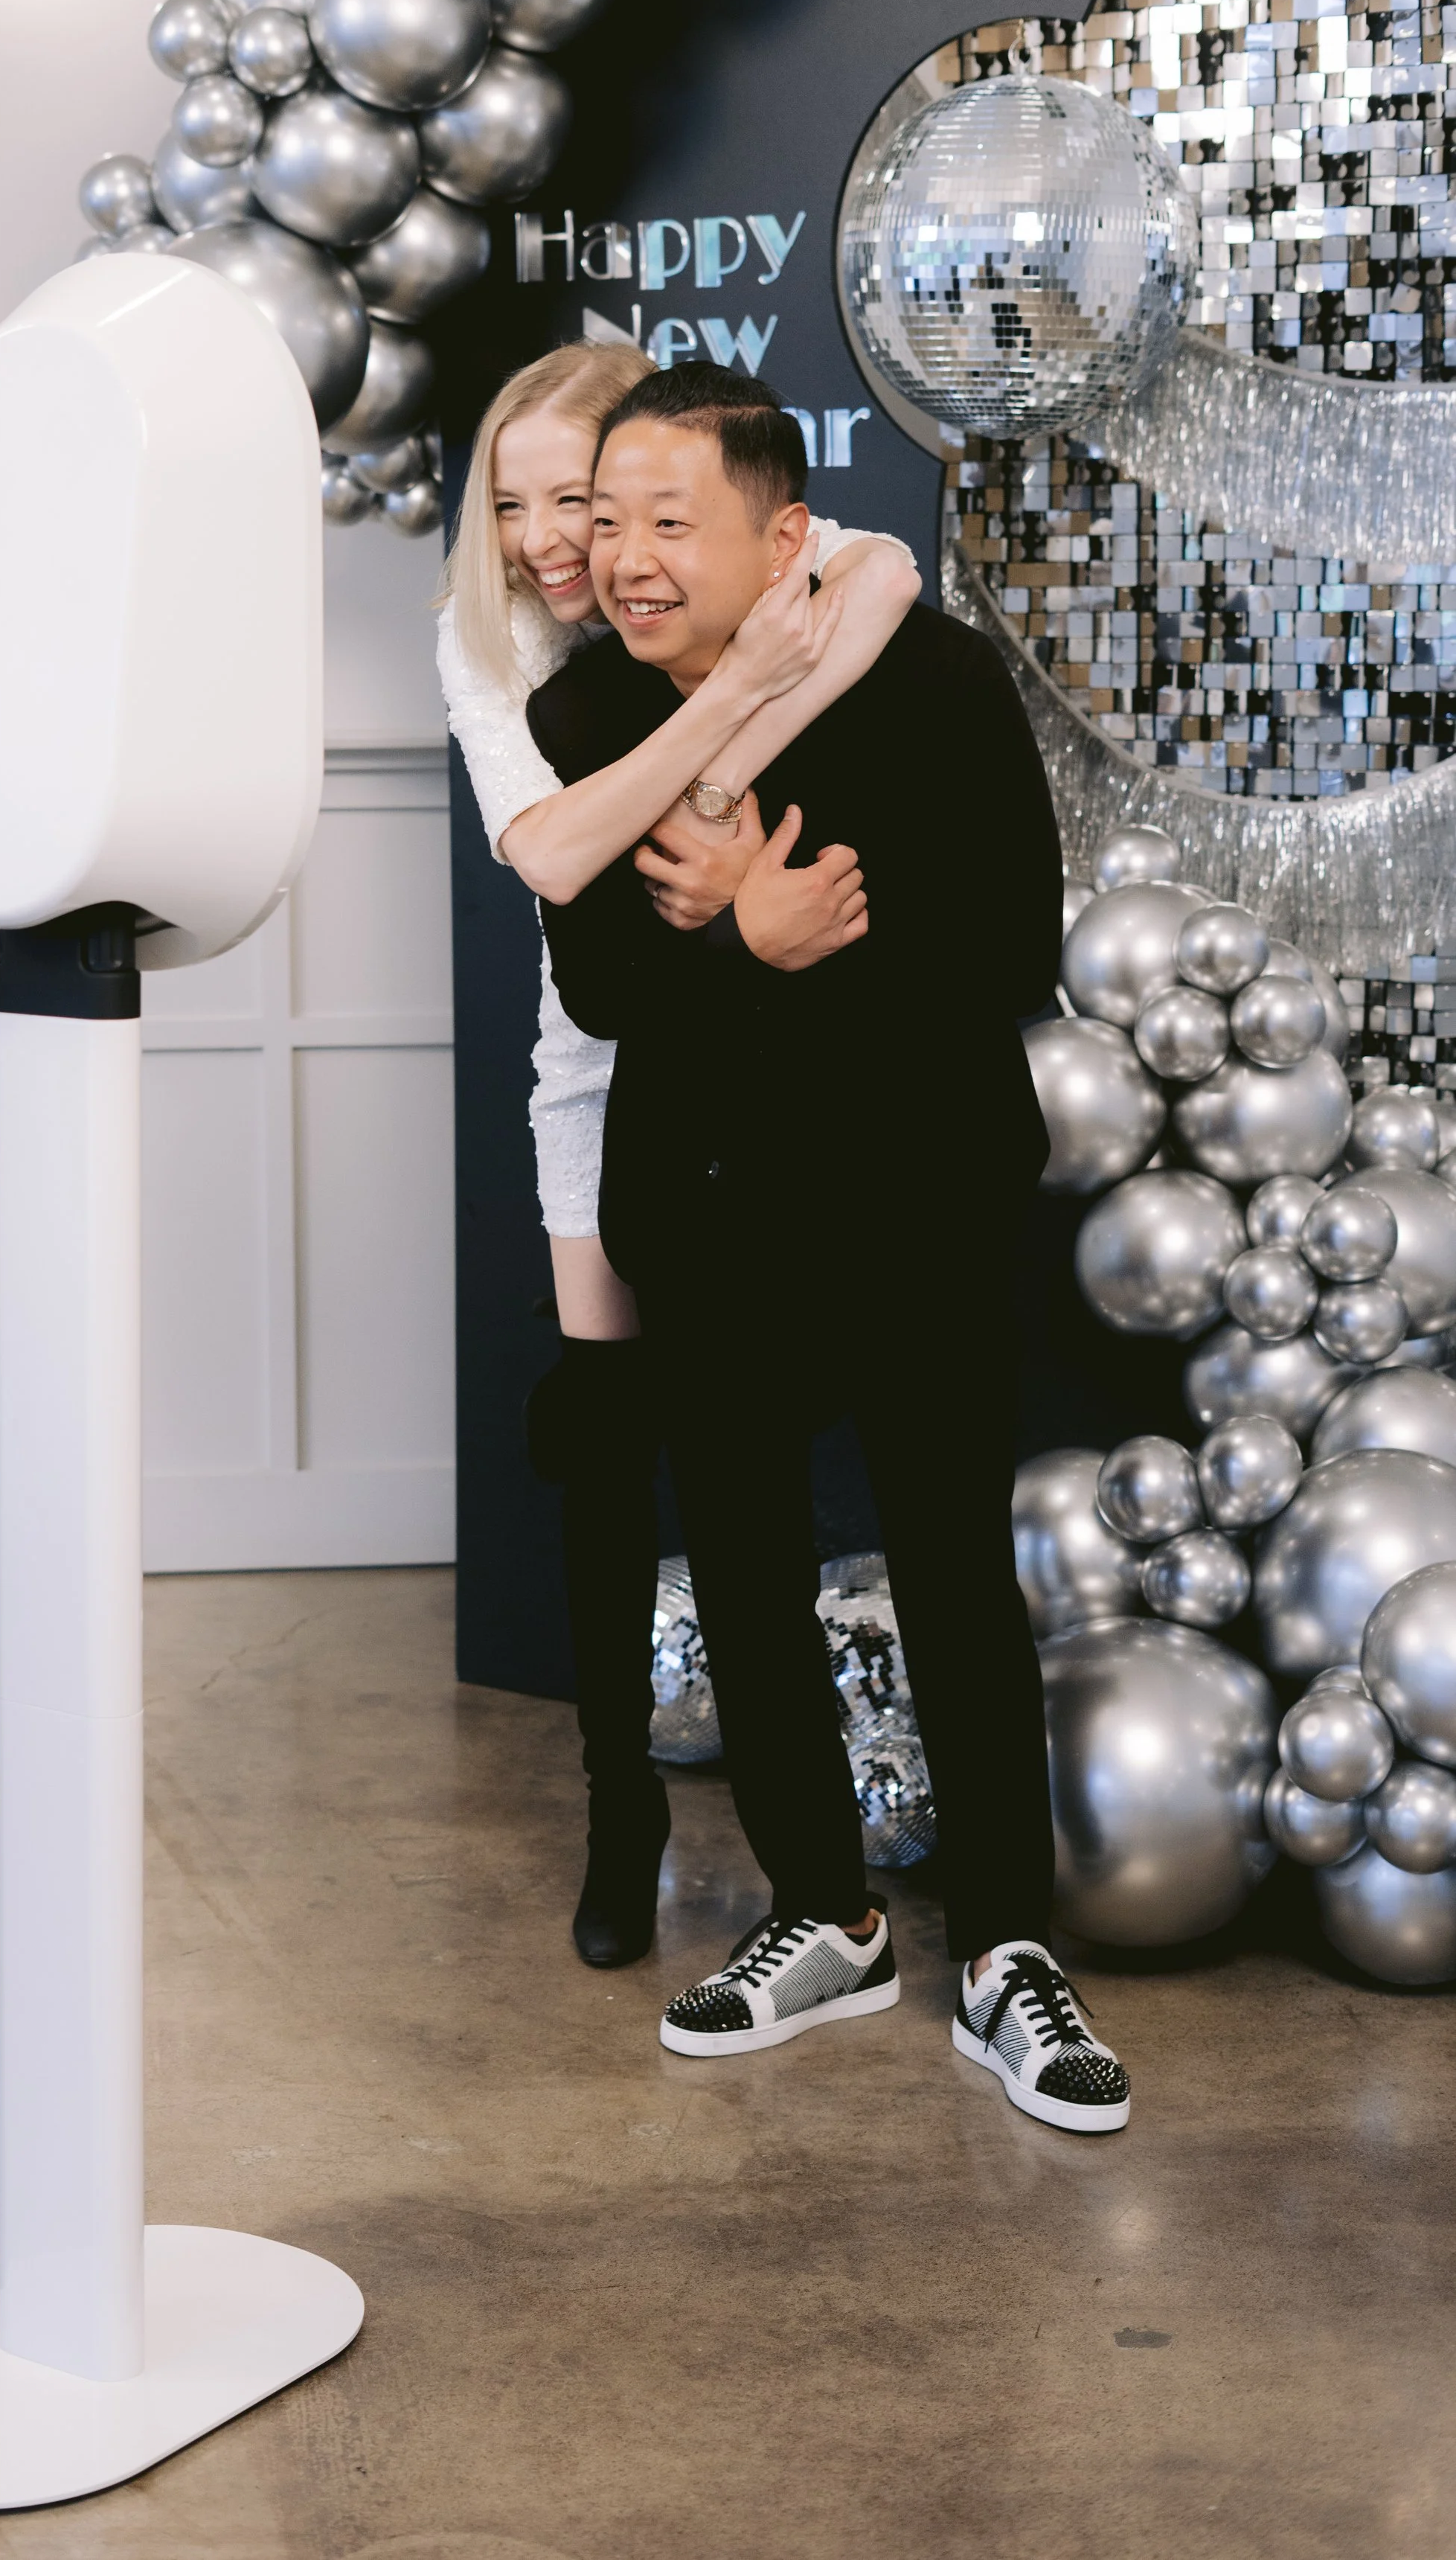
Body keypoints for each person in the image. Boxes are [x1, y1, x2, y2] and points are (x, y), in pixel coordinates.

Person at [527, 362, 1132, 2135]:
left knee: (951, 1566)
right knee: (740, 1568)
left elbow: (1009, 942)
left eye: (667, 524)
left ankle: (1009, 1950)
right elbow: (598, 978)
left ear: (781, 538)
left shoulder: (929, 676)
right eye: (606, 520)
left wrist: (806, 934)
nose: (625, 561)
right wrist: (738, 941)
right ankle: (824, 1910)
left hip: (921, 1206)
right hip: (710, 1219)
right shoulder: (589, 726)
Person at [438, 343, 922, 1971]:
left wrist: (750, 723)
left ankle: (803, 1849)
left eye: (577, 496)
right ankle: (618, 1802)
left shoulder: (752, 549)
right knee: (599, 1421)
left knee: (739, 1429)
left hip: (751, 1049)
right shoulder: (485, 644)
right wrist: (727, 714)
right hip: (595, 1057)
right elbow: (558, 851)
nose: (555, 542)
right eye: (511, 506)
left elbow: (883, 570)